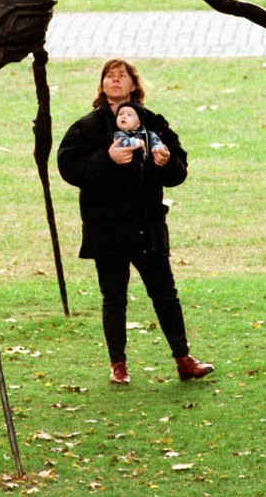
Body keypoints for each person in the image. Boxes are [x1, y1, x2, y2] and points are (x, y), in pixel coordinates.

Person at [57, 58, 213, 386]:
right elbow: (68, 167)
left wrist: (167, 161)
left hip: (147, 225)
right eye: (109, 76)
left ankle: (184, 360)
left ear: (133, 86)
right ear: (102, 86)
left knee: (165, 294)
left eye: (122, 76)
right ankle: (119, 366)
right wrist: (106, 159)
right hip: (106, 226)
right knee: (114, 296)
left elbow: (178, 170)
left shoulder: (154, 123)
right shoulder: (87, 127)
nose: (115, 80)